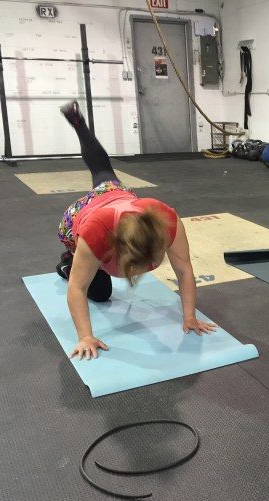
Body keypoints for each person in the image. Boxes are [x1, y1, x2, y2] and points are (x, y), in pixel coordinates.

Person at [56, 101, 216, 361]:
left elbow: (184, 270)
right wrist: (85, 336)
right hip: (78, 218)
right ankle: (68, 261)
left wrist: (190, 316)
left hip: (115, 196)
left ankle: (79, 123)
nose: (148, 269)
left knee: (103, 171)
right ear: (118, 253)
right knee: (100, 293)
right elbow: (77, 289)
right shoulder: (96, 235)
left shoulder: (166, 219)